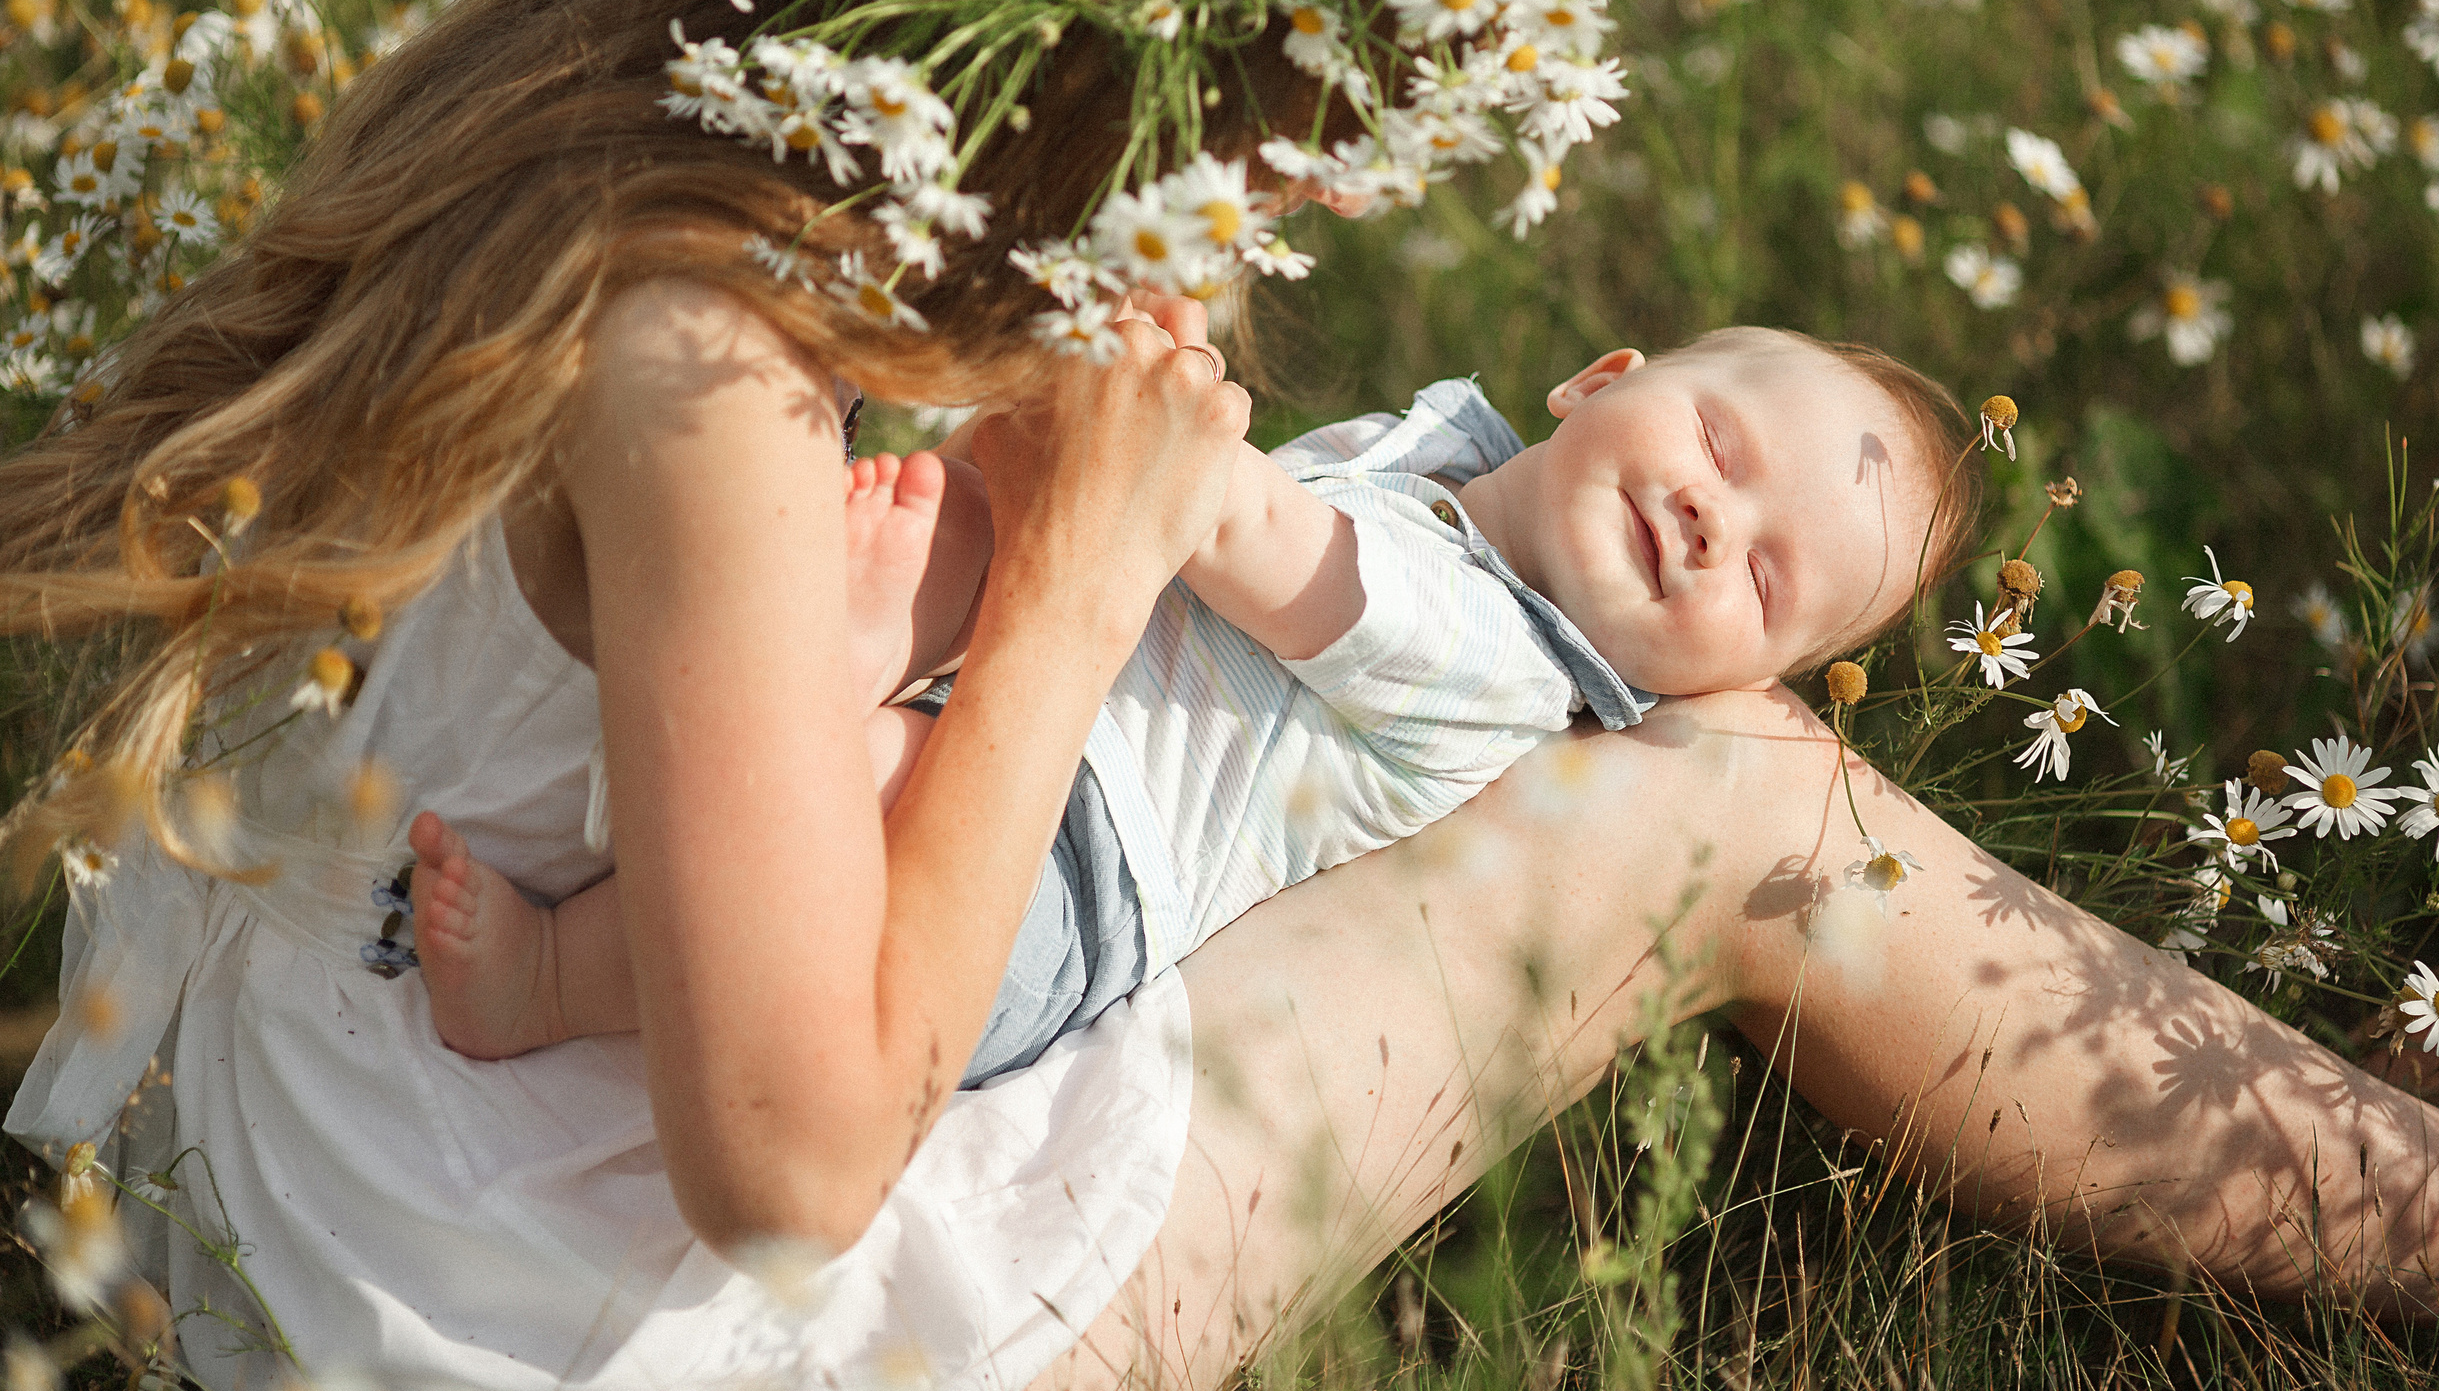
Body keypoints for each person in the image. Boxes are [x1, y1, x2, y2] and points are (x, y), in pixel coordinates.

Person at [0, 0, 2439, 1391]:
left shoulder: (755, 68)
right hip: (543, 1341)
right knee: (1742, 802)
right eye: (1322, 114)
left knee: (1667, 739)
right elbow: (785, 1159)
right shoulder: (732, 357)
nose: (1324, 197)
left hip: (363, 1120)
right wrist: (1088, 574)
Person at [411, 325, 1978, 1077]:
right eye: (1721, 441)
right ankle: (810, 635)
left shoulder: (1506, 669)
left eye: (1766, 581)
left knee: (889, 787)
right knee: (963, 523)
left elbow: (1244, 530)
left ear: (1732, 679)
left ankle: (559, 973)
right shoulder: (1429, 452)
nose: (1716, 516)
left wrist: (1148, 396)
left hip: (1070, 872)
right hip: (1057, 677)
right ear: (1599, 378)